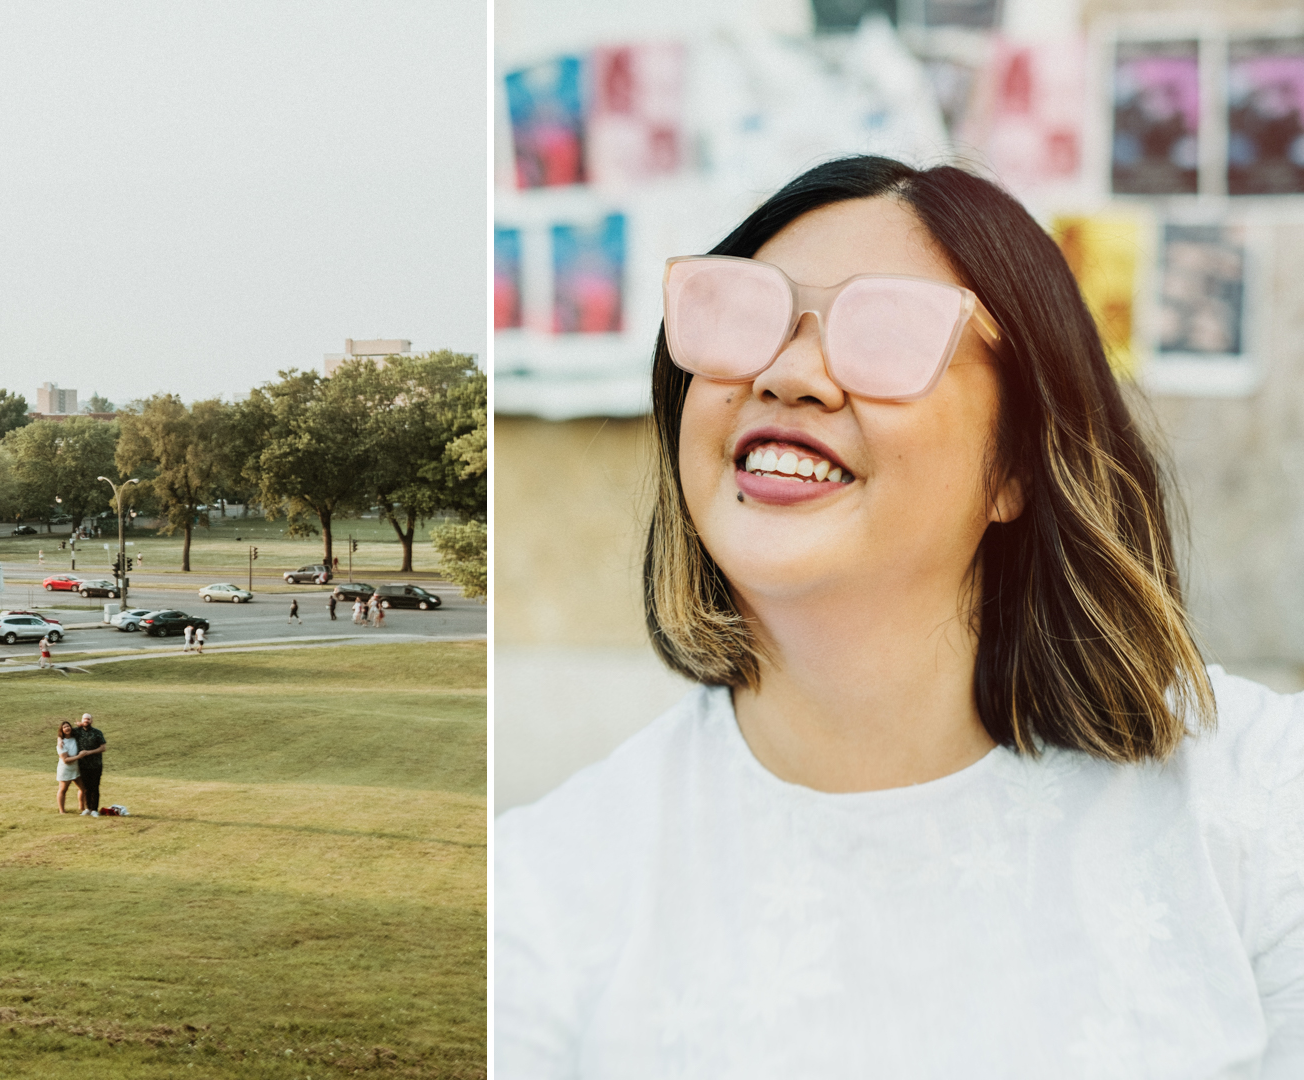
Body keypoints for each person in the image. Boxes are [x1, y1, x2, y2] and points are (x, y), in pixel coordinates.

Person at [495, 157, 1304, 1077]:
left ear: (1017, 465)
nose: (790, 373)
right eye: (740, 313)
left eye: (885, 333)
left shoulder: (1263, 810)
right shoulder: (546, 891)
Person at [72, 713, 106, 816]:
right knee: (86, 787)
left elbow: (103, 748)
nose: (86, 720)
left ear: (91, 721)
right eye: (85, 719)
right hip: (83, 765)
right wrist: (60, 741)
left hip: (96, 765)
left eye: (88, 719)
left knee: (95, 787)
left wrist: (89, 752)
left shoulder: (97, 732)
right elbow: (63, 733)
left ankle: (94, 809)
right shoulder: (77, 731)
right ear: (82, 720)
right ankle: (87, 808)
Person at [55, 720, 82, 813]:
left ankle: (82, 808)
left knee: (83, 789)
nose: (67, 728)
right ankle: (62, 810)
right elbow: (65, 760)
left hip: (76, 768)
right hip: (66, 769)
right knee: (63, 789)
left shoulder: (75, 737)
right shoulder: (61, 743)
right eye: (64, 727)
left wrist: (80, 724)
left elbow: (83, 728)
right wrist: (79, 756)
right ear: (61, 730)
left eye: (68, 726)